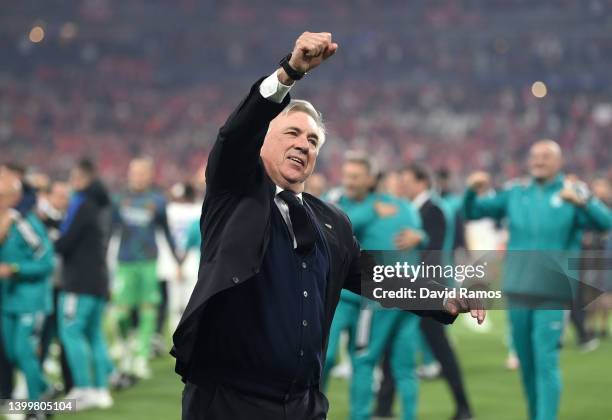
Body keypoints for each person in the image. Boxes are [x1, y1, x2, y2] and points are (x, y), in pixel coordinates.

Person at [172, 32, 484, 420]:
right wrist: (289, 72)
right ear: (263, 138)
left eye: (314, 140)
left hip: (303, 404)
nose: (304, 144)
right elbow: (235, 135)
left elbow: (374, 274)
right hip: (229, 401)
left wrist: (440, 297)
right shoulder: (233, 191)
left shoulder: (330, 220)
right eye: (292, 133)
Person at [463, 140, 612, 420]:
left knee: (546, 362)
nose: (539, 161)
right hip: (517, 290)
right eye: (535, 156)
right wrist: (472, 191)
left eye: (546, 156)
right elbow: (472, 212)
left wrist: (585, 200)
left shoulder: (573, 191)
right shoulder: (516, 192)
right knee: (527, 367)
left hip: (552, 293)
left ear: (559, 161)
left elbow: (606, 223)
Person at [112, 157, 181, 379]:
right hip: (125, 262)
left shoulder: (157, 201)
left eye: (142, 173)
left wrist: (176, 260)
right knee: (120, 313)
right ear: (129, 174)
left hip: (149, 263)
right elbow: (107, 230)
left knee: (148, 310)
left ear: (149, 176)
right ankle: (125, 345)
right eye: (135, 172)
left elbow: (166, 232)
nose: (138, 176)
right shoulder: (119, 199)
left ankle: (140, 357)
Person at [55, 159, 114, 410]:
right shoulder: (100, 205)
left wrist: (53, 241)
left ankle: (82, 389)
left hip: (78, 282)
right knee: (94, 335)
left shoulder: (80, 203)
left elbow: (64, 243)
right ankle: (101, 390)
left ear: (80, 179)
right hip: (99, 280)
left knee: (71, 332)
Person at [0, 174, 54, 404]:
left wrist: (15, 268)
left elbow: (46, 261)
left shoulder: (25, 224)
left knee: (24, 352)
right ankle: (45, 388)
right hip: (9, 299)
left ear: (13, 197)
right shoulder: (5, 223)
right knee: (13, 353)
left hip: (29, 299)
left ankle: (36, 406)